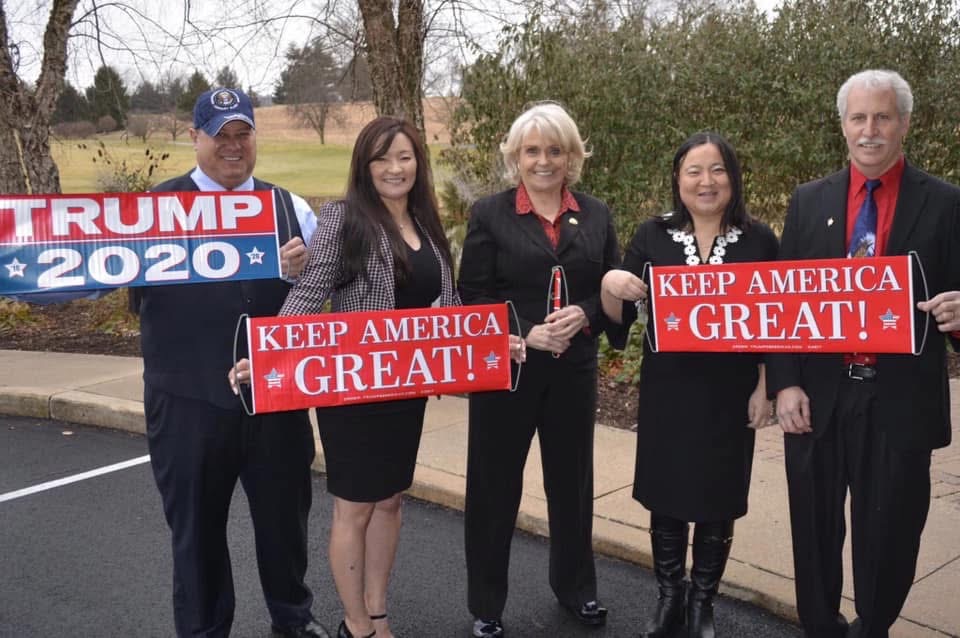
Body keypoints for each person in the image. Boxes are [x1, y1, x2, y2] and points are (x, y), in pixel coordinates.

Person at [232, 116, 462, 638]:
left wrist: (487, 345)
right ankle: (355, 624)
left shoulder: (426, 222)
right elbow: (310, 292)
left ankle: (378, 614)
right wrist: (269, 357)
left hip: (407, 388)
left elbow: (448, 305)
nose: (394, 168)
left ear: (418, 163)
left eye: (404, 157)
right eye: (382, 158)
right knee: (355, 507)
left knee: (391, 500)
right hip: (354, 390)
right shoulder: (344, 218)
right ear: (364, 165)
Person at [126, 88, 330, 637]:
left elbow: (326, 292)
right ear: (195, 137)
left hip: (276, 397)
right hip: (186, 400)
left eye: (243, 134)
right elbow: (110, 279)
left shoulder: (290, 207)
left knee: (285, 522)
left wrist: (301, 272)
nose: (233, 146)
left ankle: (292, 618)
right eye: (220, 135)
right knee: (196, 532)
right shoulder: (152, 211)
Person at [767, 69, 960, 638]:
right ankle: (820, 626)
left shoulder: (947, 203)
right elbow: (782, 302)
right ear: (843, 125)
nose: (869, 130)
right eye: (859, 118)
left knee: (891, 534)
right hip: (817, 396)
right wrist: (785, 383)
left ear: (904, 124)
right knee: (814, 529)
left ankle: (873, 627)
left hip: (901, 400)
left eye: (882, 117)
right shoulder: (808, 201)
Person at [599, 131, 778, 637]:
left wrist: (765, 385)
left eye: (717, 170)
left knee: (719, 496)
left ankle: (703, 602)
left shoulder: (761, 240)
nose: (706, 181)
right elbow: (618, 320)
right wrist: (610, 285)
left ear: (733, 178)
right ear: (678, 180)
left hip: (730, 392)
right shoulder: (652, 235)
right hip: (669, 391)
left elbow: (777, 320)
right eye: (694, 171)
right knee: (668, 493)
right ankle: (669, 596)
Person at [457, 102, 620, 638]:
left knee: (572, 486)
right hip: (509, 371)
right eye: (532, 151)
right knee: (493, 489)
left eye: (555, 150)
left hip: (573, 373)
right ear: (516, 156)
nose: (543, 161)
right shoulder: (490, 214)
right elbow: (473, 294)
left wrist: (587, 313)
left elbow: (611, 288)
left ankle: (576, 589)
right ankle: (486, 604)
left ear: (572, 156)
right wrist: (524, 330)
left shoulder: (596, 214)